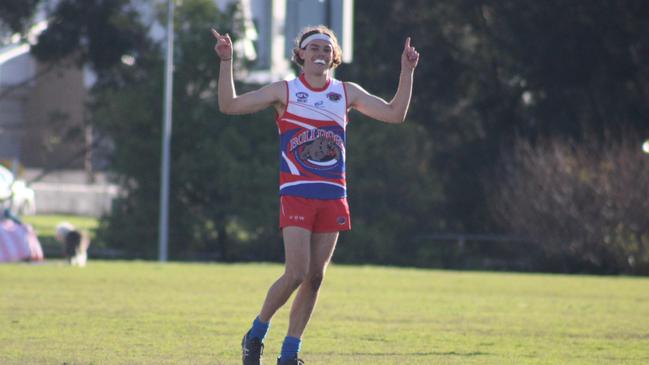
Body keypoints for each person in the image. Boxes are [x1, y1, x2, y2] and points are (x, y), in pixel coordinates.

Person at [211, 25, 419, 365]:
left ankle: (290, 354)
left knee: (316, 277)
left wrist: (406, 72)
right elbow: (229, 105)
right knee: (296, 272)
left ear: (334, 56)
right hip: (296, 193)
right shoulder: (286, 91)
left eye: (327, 49)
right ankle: (256, 333)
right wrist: (226, 61)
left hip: (333, 195)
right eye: (314, 48)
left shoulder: (346, 92)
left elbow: (395, 114)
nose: (320, 53)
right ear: (301, 55)